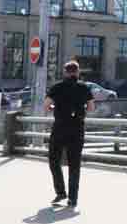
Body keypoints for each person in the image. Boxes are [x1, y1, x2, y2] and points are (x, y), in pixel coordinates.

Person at [44, 61, 94, 209]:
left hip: (59, 128)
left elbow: (46, 106)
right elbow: (91, 107)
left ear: (65, 72)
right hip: (77, 129)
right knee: (74, 164)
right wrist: (81, 107)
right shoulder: (84, 87)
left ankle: (60, 191)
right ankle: (73, 199)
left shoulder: (57, 87)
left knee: (54, 160)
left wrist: (56, 106)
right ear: (77, 72)